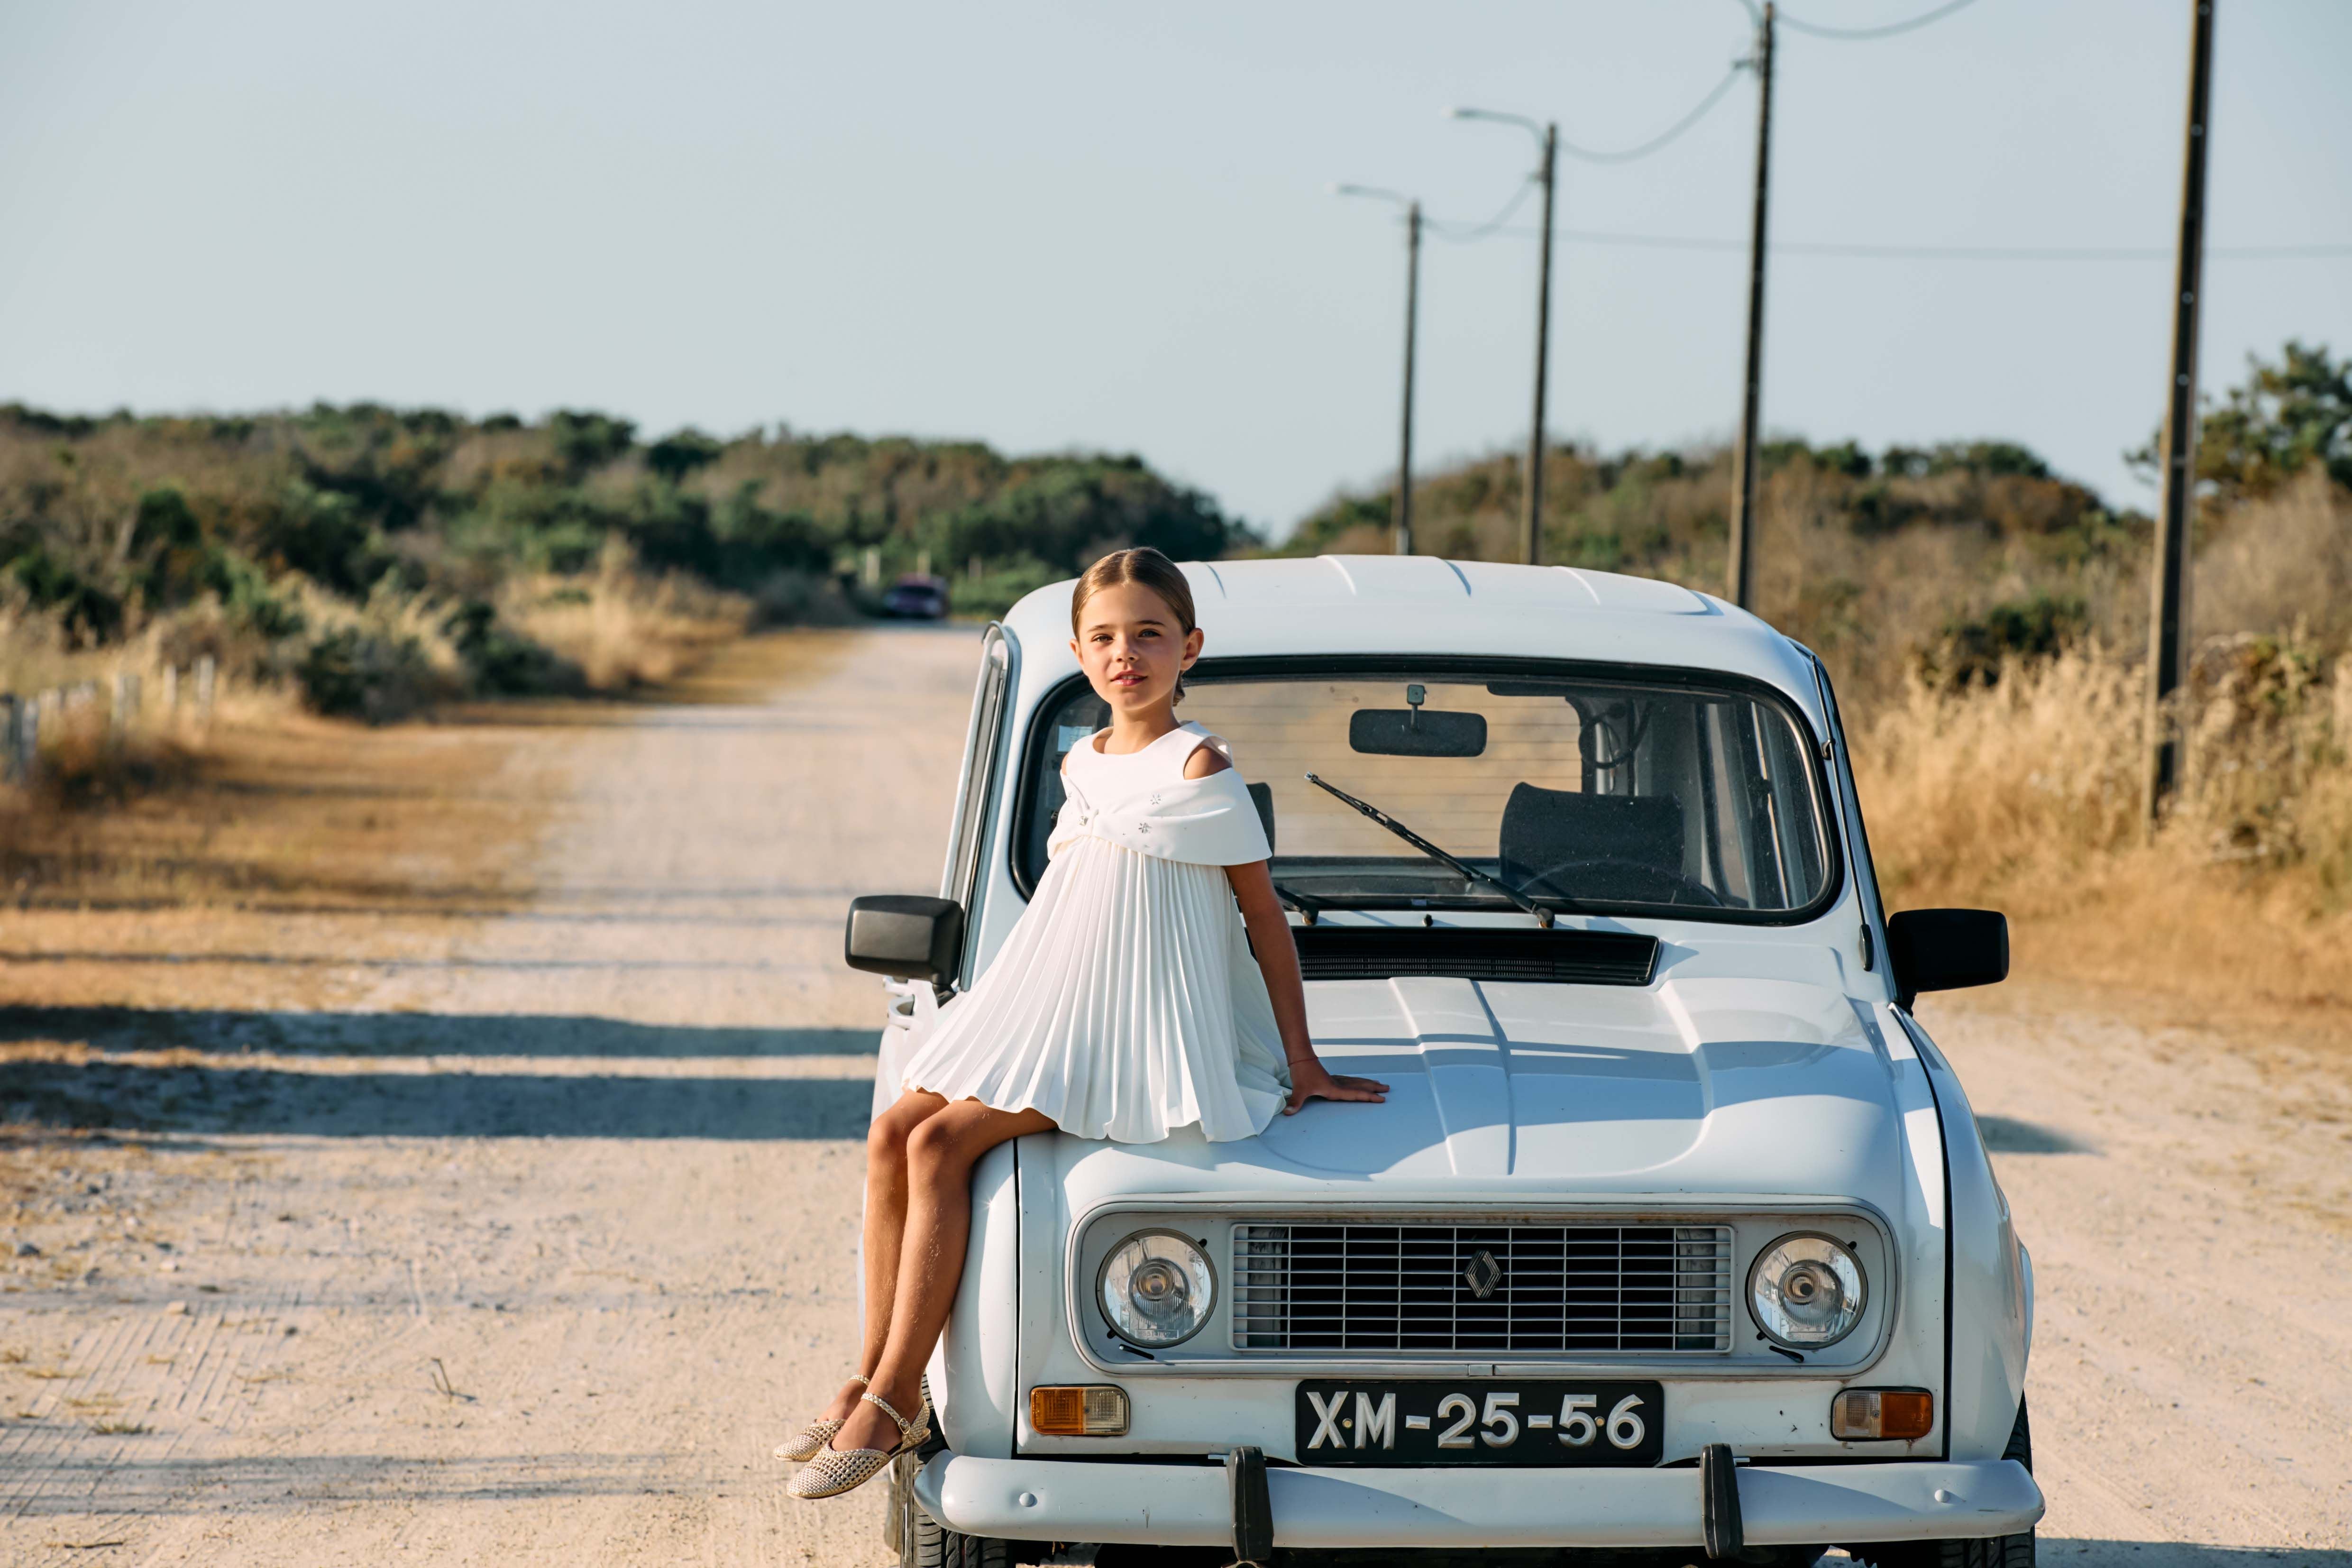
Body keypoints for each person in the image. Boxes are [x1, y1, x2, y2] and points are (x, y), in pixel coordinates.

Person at [780, 546, 1388, 1500]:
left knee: (942, 1144)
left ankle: (900, 1402)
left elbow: (1262, 917)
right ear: (1078, 652)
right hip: (1061, 996)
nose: (1126, 655)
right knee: (896, 1123)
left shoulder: (1201, 761)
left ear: (1189, 647)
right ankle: (866, 1371)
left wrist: (1301, 1058)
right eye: (1104, 638)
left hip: (1137, 1028)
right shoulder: (1082, 758)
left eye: (1149, 635)